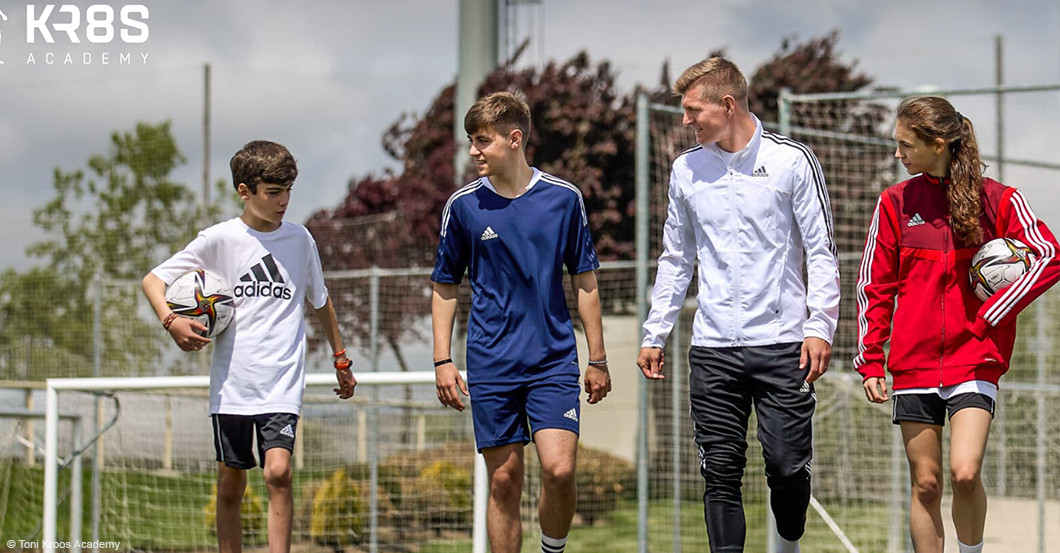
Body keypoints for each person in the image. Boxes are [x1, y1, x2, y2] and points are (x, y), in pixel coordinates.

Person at [637, 57, 840, 553]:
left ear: (727, 105)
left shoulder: (792, 161)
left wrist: (821, 326)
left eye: (692, 110)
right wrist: (654, 331)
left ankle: (787, 545)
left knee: (786, 468)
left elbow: (821, 250)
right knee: (720, 473)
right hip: (712, 349)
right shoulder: (686, 170)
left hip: (783, 345)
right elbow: (677, 257)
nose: (685, 121)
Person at [855, 96, 1059, 553]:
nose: (898, 155)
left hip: (975, 360)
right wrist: (871, 361)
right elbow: (875, 286)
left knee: (964, 472)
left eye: (906, 145)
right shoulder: (894, 203)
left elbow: (1049, 256)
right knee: (925, 484)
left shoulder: (1000, 200)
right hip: (913, 364)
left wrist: (995, 311)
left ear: (939, 144)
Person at [141, 140, 356, 553]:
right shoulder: (219, 239)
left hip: (282, 381)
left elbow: (321, 301)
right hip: (233, 385)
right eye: (273, 193)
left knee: (279, 473)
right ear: (245, 191)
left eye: (288, 191)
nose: (283, 202)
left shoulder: (300, 240)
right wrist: (172, 321)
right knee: (231, 480)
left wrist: (340, 357)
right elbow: (153, 281)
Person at [431, 91, 612, 553]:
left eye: (482, 141)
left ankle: (553, 549)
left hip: (552, 360)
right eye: (471, 141)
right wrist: (442, 360)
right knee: (505, 481)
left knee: (559, 469)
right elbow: (445, 286)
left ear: (515, 139)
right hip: (491, 364)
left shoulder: (564, 199)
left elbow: (585, 280)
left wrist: (599, 358)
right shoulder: (464, 206)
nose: (473, 151)